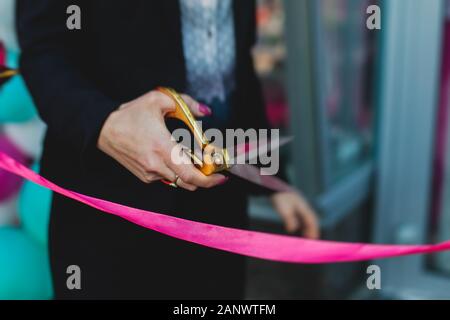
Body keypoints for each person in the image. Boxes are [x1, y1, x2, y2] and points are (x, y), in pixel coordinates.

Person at [17, 0, 319, 299]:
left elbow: (238, 69)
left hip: (218, 201)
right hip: (109, 203)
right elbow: (44, 50)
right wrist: (104, 124)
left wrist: (270, 177)